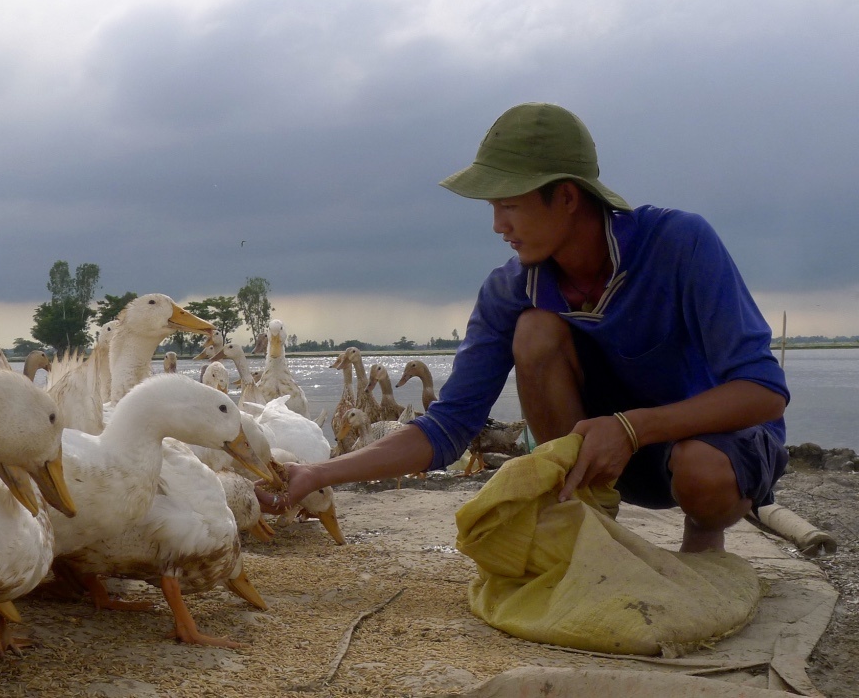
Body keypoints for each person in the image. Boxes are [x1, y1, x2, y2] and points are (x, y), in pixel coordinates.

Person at [259, 102, 788, 553]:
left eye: (509, 206)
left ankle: (703, 544)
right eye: (493, 207)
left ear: (566, 196)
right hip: (605, 459)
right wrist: (320, 474)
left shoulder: (678, 244)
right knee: (535, 332)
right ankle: (588, 530)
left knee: (702, 473)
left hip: (709, 455)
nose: (497, 226)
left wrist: (632, 426)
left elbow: (764, 392)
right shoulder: (512, 291)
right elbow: (447, 428)